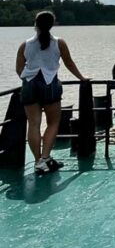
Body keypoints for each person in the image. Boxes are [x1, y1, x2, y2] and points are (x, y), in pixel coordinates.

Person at [15, 10, 86, 175]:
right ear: (52, 24)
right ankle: (45, 157)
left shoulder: (24, 45)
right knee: (53, 122)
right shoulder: (59, 43)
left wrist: (29, 78)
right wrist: (82, 77)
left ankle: (39, 161)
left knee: (33, 123)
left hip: (29, 84)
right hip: (50, 83)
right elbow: (69, 63)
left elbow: (19, 70)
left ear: (35, 24)